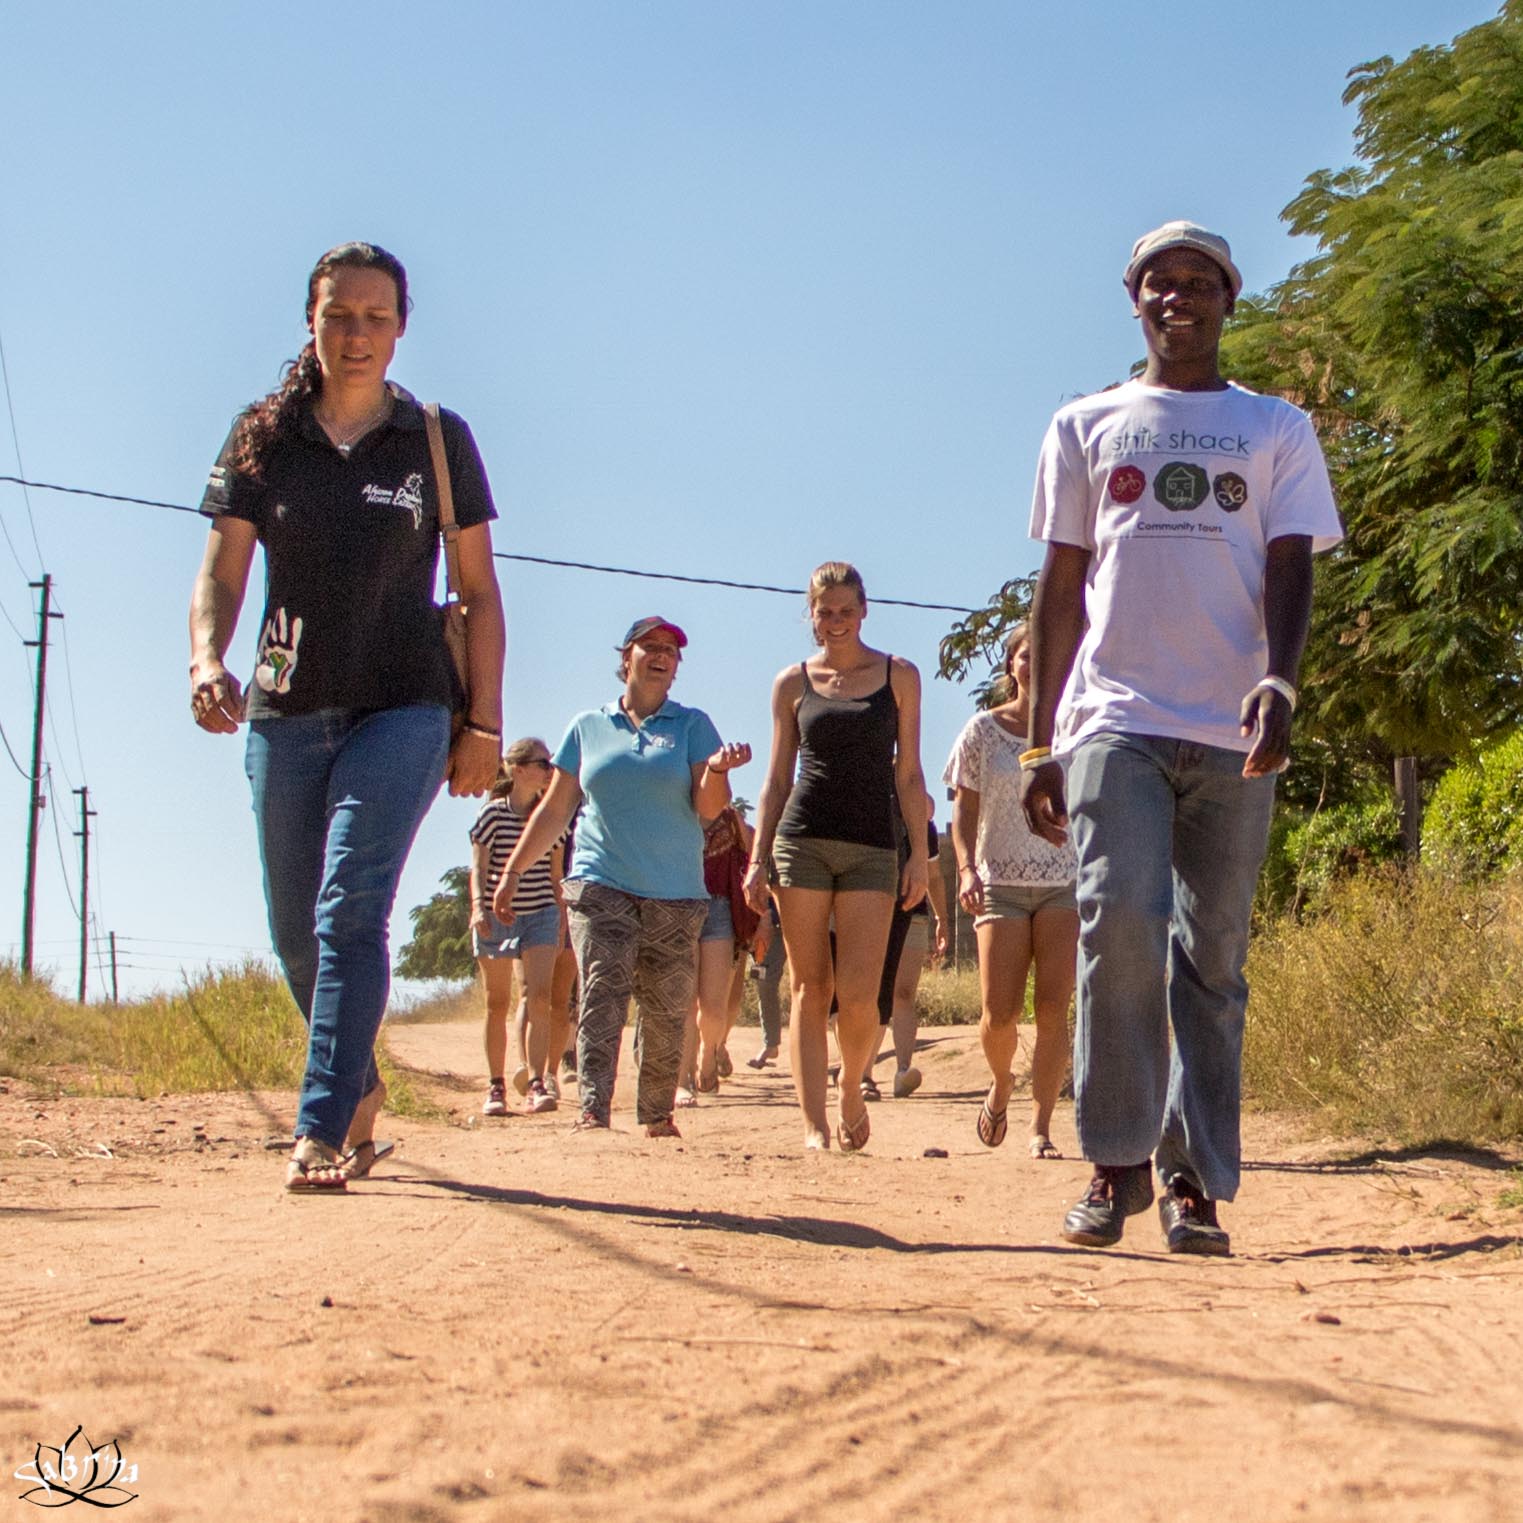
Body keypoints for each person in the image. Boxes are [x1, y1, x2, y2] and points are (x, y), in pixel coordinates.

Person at [1021, 221, 1341, 1254]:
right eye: (1159, 282)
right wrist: (1037, 742)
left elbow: (1289, 561)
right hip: (1113, 716)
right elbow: (1058, 588)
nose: (1178, 296)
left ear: (1227, 301)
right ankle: (1115, 1160)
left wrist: (1279, 681)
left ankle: (1191, 1181)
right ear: (1134, 301)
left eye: (1199, 281)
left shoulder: (1274, 427)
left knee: (1211, 956)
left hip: (1231, 725)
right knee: (1119, 919)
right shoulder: (1084, 424)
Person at [190, 241, 504, 1192]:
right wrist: (205, 656)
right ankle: (359, 1083)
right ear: (312, 321)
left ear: (401, 327)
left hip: (403, 705)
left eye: (375, 317)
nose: (356, 334)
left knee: (350, 908)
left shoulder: (435, 439)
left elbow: (479, 592)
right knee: (295, 931)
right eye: (339, 315)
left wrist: (483, 726)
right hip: (284, 709)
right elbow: (223, 568)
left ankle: (319, 1127)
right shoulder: (263, 435)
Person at [494, 617, 751, 1137]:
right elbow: (556, 809)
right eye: (649, 646)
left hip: (675, 892)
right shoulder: (588, 727)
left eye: (670, 651)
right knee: (602, 990)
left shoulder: (692, 726)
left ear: (677, 668)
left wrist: (718, 771)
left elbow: (708, 808)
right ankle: (594, 1110)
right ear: (626, 657)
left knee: (666, 1005)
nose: (661, 656)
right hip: (600, 881)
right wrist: (513, 871)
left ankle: (656, 1114)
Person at [746, 562, 928, 1151]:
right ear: (811, 614)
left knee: (859, 993)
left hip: (873, 846)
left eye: (846, 610)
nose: (836, 621)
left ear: (864, 611)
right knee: (808, 986)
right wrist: (756, 858)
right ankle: (814, 1125)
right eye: (825, 612)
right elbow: (776, 780)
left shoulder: (900, 676)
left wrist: (919, 857)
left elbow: (910, 774)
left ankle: (851, 1083)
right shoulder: (792, 683)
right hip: (801, 841)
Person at [945, 623, 1078, 1158]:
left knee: (1052, 1008)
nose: (1035, 663)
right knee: (999, 1013)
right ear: (1011, 666)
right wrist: (965, 869)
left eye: (1045, 654)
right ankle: (1001, 1083)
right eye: (1026, 655)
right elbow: (963, 809)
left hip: (1063, 882)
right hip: (998, 881)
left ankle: (1040, 1127)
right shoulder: (983, 730)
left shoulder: (1076, 726)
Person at [470, 738, 564, 1117]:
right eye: (543, 764)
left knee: (539, 997)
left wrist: (561, 918)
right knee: (496, 1002)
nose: (549, 771)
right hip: (497, 915)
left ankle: (537, 1081)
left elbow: (555, 876)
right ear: (520, 770)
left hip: (540, 913)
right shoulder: (491, 816)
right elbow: (478, 868)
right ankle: (495, 1085)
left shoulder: (550, 818)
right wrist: (478, 908)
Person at [865, 792, 948, 1101]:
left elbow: (934, 876)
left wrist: (943, 919)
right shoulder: (872, 815)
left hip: (914, 913)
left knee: (903, 993)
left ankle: (902, 1070)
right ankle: (863, 1073)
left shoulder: (925, 828)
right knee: (874, 991)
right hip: (874, 910)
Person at [688, 807, 762, 1097]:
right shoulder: (676, 809)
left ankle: (709, 1050)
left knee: (713, 1005)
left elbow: (753, 864)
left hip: (720, 909)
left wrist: (762, 919)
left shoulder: (732, 821)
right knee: (685, 1002)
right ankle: (682, 1080)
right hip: (679, 903)